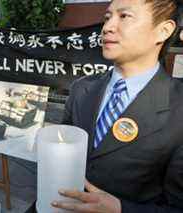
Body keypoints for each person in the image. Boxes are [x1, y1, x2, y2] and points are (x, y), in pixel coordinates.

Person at [50, 0, 183, 213]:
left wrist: (121, 209)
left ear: (163, 31)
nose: (107, 27)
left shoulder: (178, 109)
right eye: (107, 17)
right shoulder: (81, 89)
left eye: (124, 16)